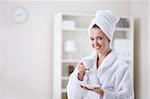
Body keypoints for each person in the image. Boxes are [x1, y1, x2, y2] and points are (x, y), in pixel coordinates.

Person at [67, 10, 134, 99]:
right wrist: (80, 75)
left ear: (109, 39)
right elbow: (72, 95)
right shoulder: (84, 62)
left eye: (99, 38)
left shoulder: (120, 65)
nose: (95, 43)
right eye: (92, 39)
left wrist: (103, 93)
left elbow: (127, 97)